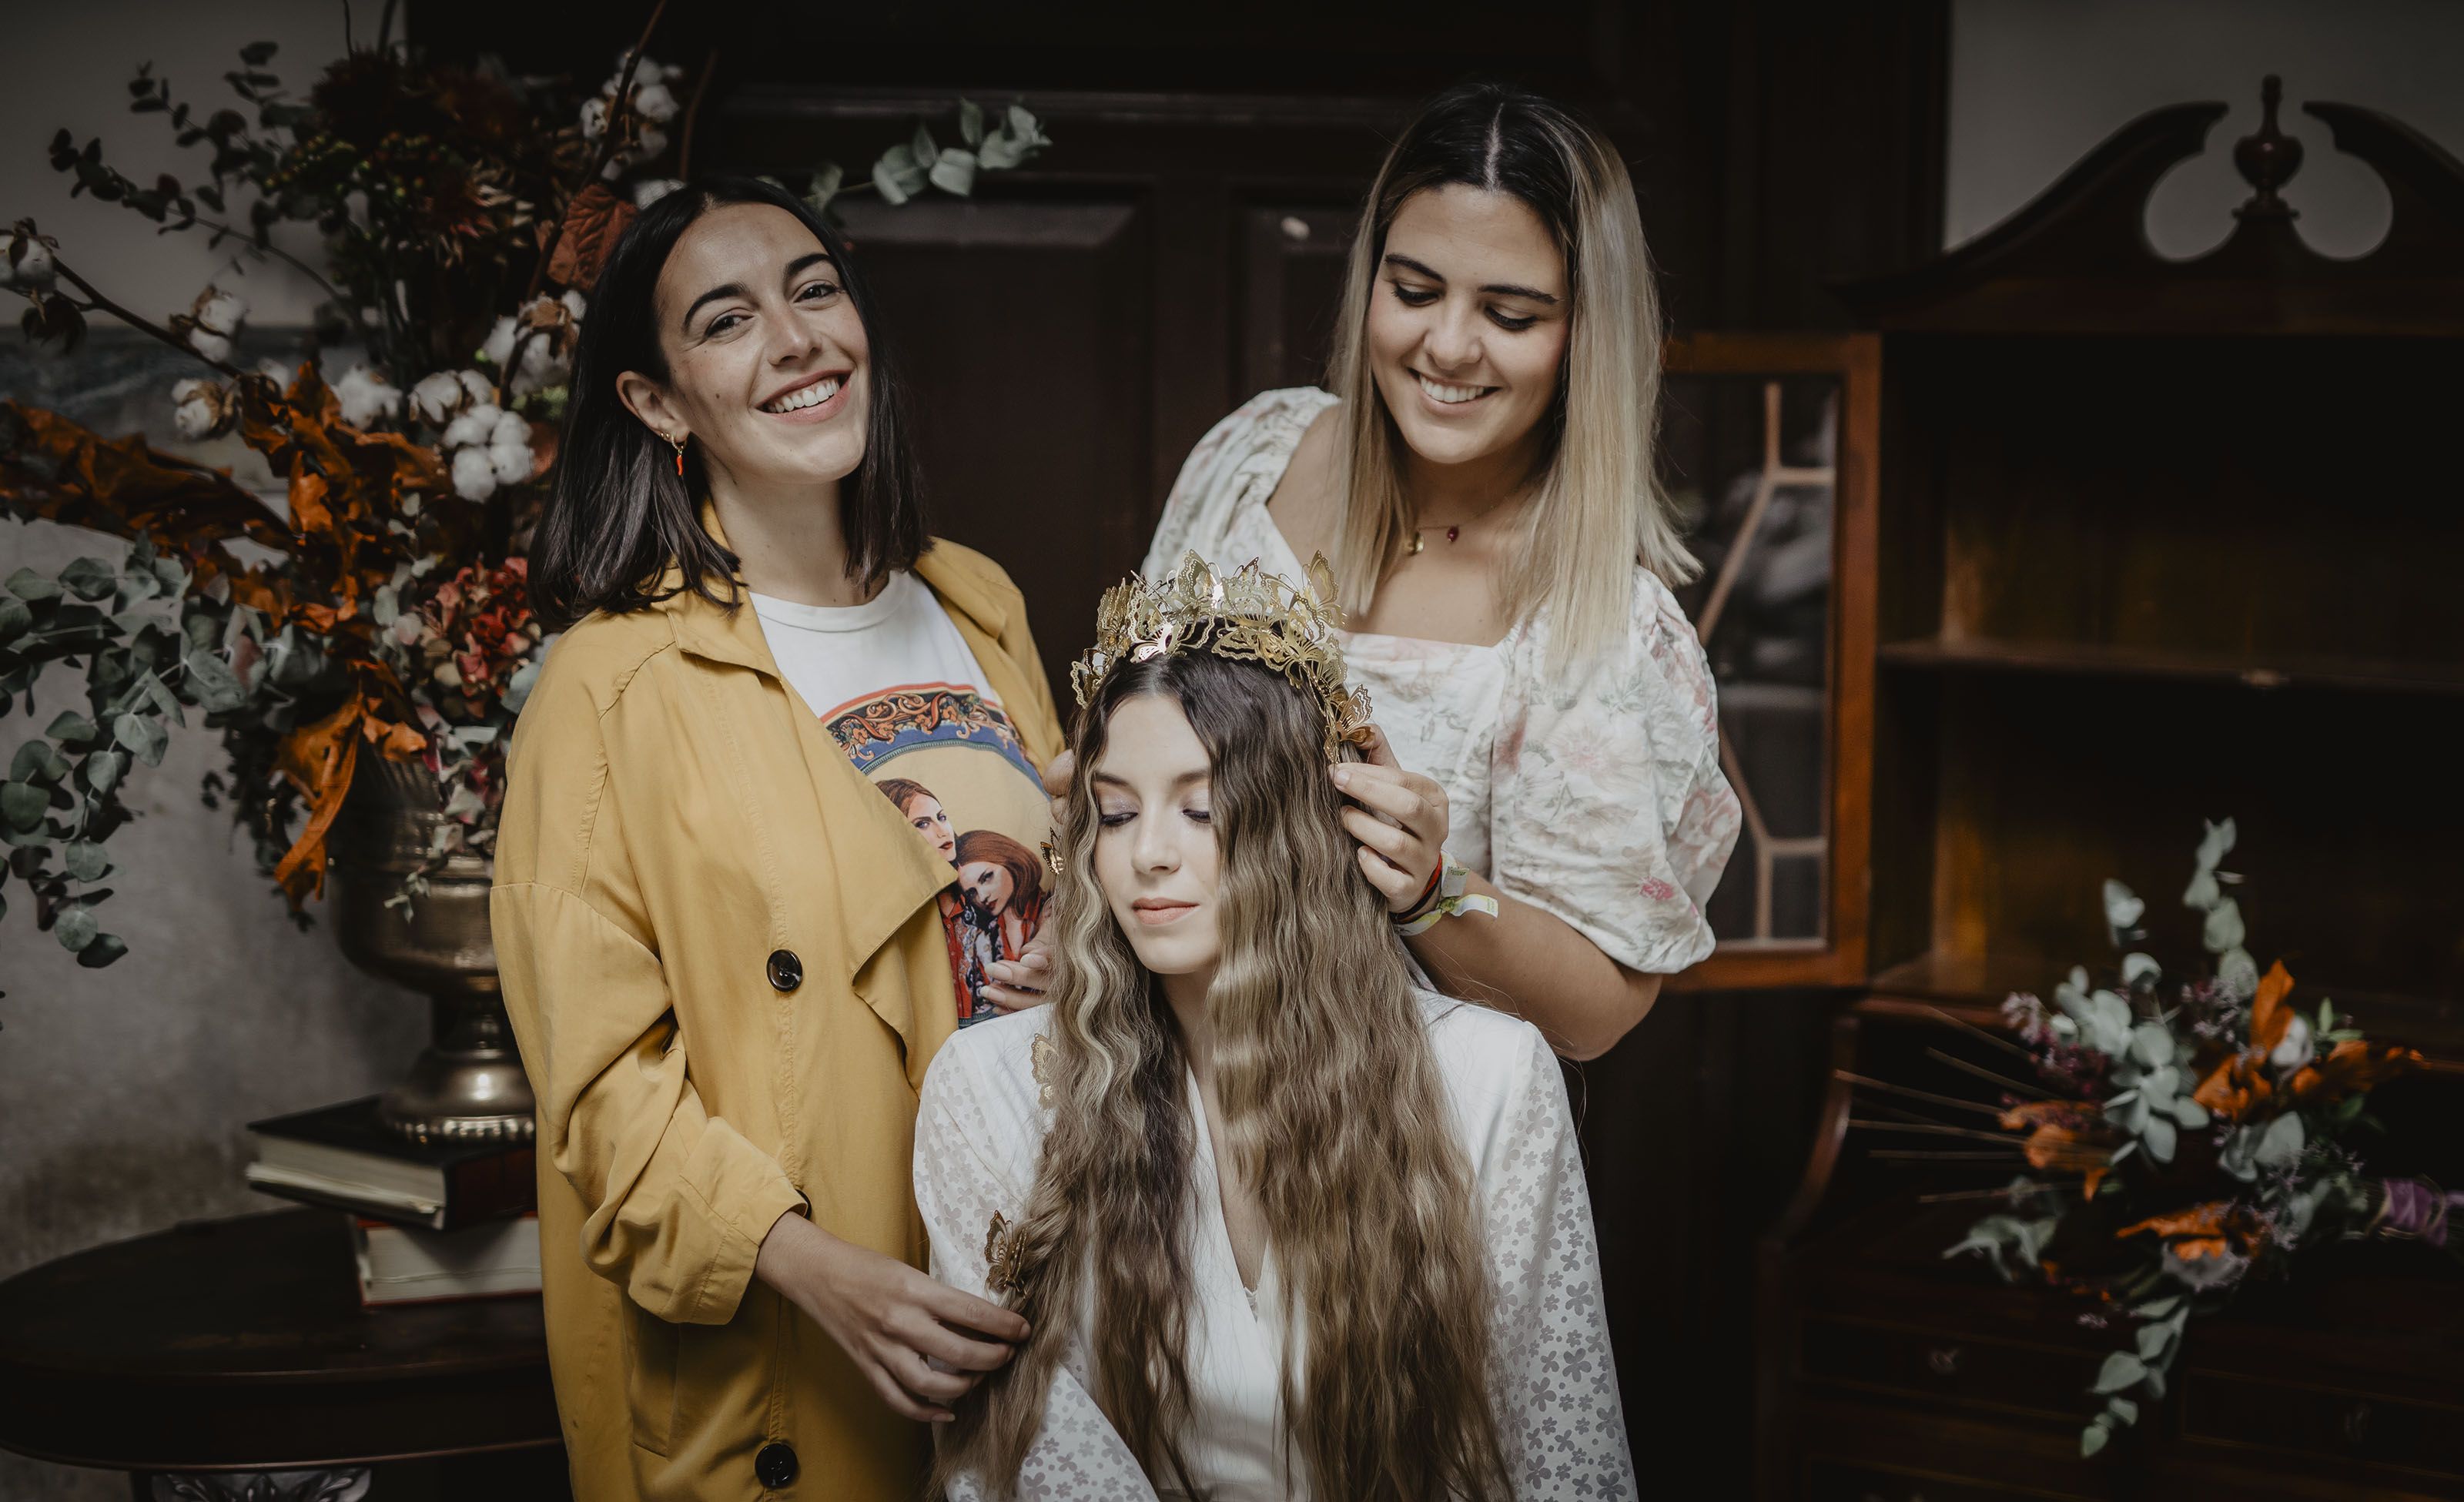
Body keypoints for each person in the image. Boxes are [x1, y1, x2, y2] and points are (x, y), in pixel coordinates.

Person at [495, 176, 1061, 1501]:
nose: (798, 339)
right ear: (657, 402)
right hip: (792, 1359)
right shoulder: (611, 686)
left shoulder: (979, 602)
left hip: (1037, 1301)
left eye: (816, 291)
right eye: (727, 319)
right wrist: (822, 1271)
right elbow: (600, 1093)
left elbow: (1060, 888)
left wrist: (1080, 950)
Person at [915, 557, 1633, 1499]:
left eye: (1201, 808)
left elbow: (1561, 1452)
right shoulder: (993, 1090)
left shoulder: (1488, 1078)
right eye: (1115, 813)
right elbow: (1021, 1460)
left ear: (1302, 824)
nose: (1148, 853)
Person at [1115, 82, 1743, 1060]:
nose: (1447, 346)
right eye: (1412, 292)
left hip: (1403, 1127)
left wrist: (1431, 888)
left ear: (1586, 333)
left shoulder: (1602, 628)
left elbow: (1596, 1014)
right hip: (1158, 1086)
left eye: (1510, 314)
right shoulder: (1254, 458)